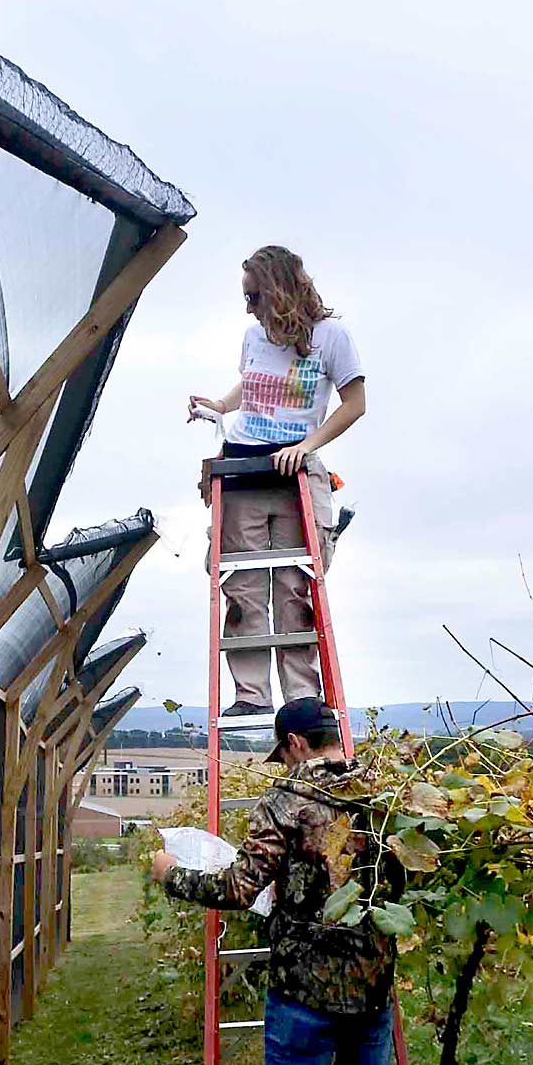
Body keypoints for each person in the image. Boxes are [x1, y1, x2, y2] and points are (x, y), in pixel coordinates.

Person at [150, 698, 402, 1065]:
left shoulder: (287, 802)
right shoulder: (385, 799)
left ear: (293, 743)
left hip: (302, 996)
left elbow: (240, 888)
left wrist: (170, 875)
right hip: (370, 993)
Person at [189, 246, 366, 718]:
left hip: (292, 473)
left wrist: (306, 446)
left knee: (295, 584)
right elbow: (251, 385)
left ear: (280, 291)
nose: (248, 308)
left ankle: (301, 695)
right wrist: (220, 408)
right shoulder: (253, 336)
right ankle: (251, 693)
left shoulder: (331, 338)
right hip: (243, 466)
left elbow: (354, 403)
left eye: (254, 297)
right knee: (242, 586)